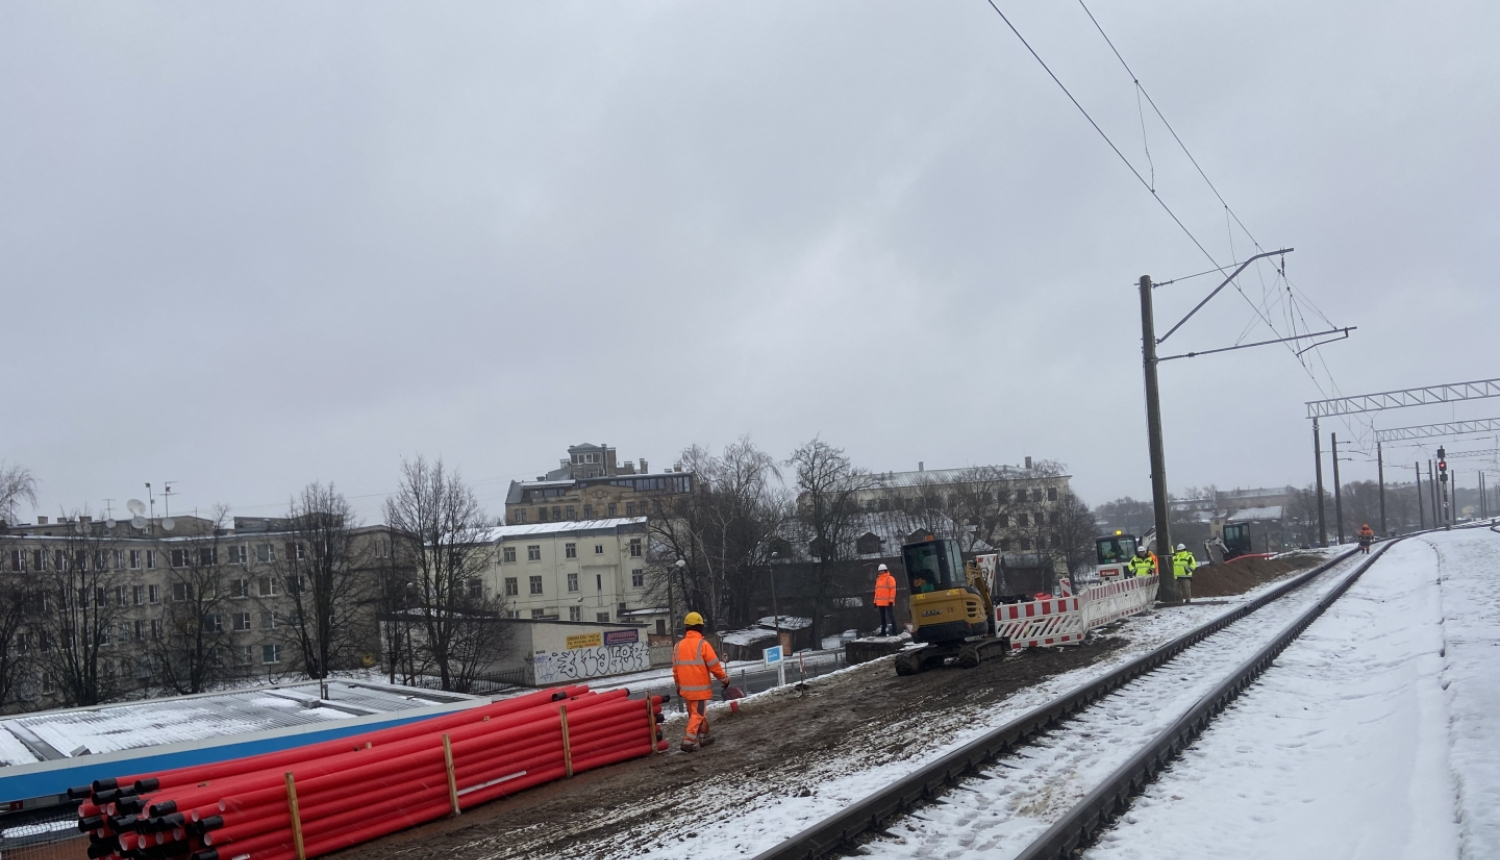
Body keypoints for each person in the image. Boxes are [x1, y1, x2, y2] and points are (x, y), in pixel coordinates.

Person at [672, 611, 729, 752]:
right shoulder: (703, 645)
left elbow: (676, 670)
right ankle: (688, 742)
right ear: (699, 627)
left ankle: (704, 737)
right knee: (698, 715)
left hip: (686, 690)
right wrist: (725, 680)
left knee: (696, 715)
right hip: (699, 690)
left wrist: (678, 687)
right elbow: (715, 666)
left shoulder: (678, 646)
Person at [874, 564, 898, 636]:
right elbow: (877, 591)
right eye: (879, 571)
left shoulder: (890, 578)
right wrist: (875, 601)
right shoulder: (878, 579)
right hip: (880, 602)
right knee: (883, 618)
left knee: (891, 616)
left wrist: (891, 600)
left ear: (885, 571)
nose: (880, 572)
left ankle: (895, 631)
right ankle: (883, 631)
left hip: (888, 602)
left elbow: (893, 590)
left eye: (881, 571)